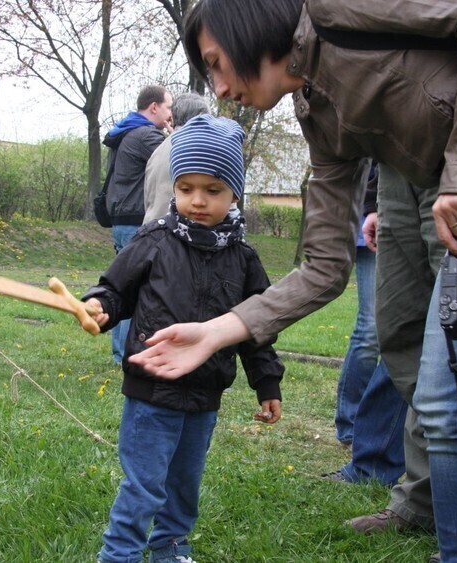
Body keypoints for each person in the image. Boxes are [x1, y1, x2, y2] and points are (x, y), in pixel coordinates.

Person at [129, 1, 457, 561]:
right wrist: (219, 331)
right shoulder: (317, 116)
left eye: (217, 63)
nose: (219, 88)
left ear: (247, 30)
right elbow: (323, 268)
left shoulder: (336, 9)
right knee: (444, 410)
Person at [82, 114, 284, 563]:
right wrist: (100, 307)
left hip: (206, 393)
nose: (197, 200)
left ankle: (171, 548)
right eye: (186, 188)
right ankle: (119, 554)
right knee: (144, 485)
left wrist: (267, 382)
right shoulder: (153, 239)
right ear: (173, 187)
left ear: (235, 193)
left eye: (212, 190)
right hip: (152, 391)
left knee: (184, 485)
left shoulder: (244, 257)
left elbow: (256, 327)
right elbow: (115, 289)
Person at [326, 165, 408, 487]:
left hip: (410, 215)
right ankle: (350, 425)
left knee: (395, 331)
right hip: (376, 218)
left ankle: (377, 433)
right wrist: (373, 206)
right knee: (371, 329)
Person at [103, 84, 174, 364]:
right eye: (169, 107)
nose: (170, 115)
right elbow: (177, 158)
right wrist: (174, 134)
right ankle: (125, 354)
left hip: (121, 220)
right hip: (134, 221)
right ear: (154, 107)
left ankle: (121, 353)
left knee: (124, 285)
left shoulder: (125, 131)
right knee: (136, 289)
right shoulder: (147, 135)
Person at [143, 93, 211, 224]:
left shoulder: (158, 150)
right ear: (202, 116)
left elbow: (148, 199)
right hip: (176, 234)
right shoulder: (200, 147)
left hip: (151, 231)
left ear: (173, 118)